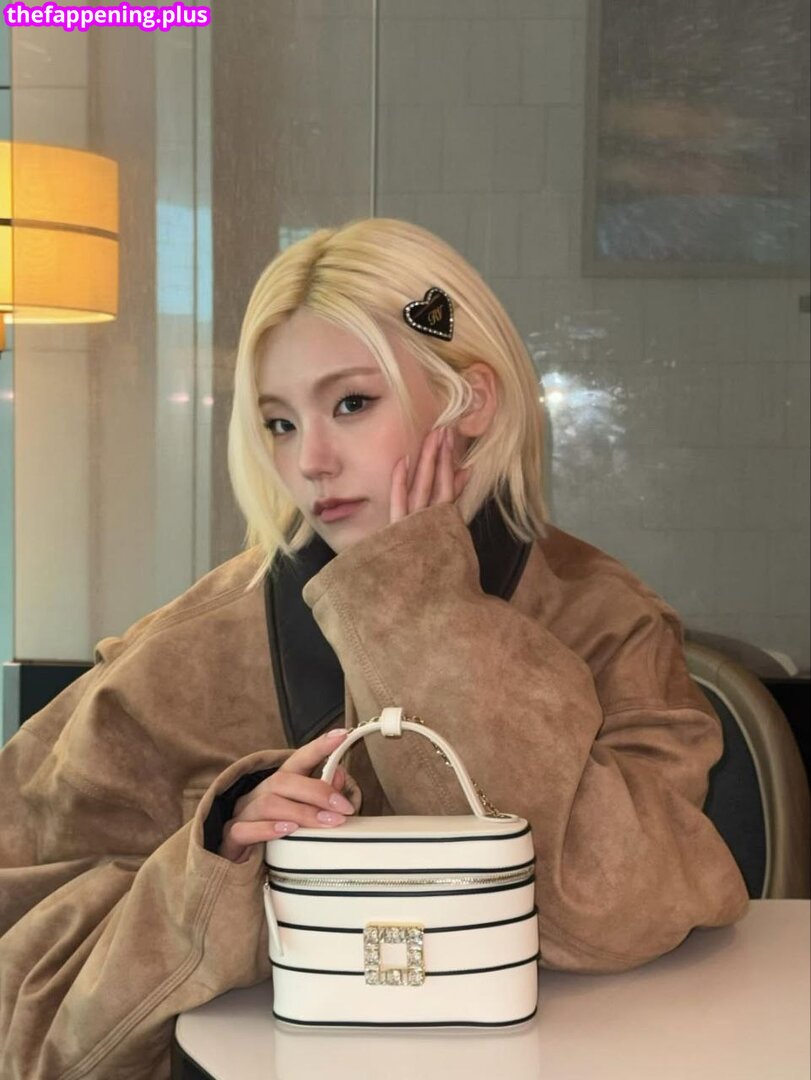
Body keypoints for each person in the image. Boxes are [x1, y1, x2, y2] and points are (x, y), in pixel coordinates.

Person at [0, 218, 748, 1078]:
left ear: (470, 401)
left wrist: (420, 606)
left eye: (351, 404)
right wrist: (220, 862)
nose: (311, 461)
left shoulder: (606, 621)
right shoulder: (182, 657)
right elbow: (32, 993)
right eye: (279, 423)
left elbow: (611, 915)